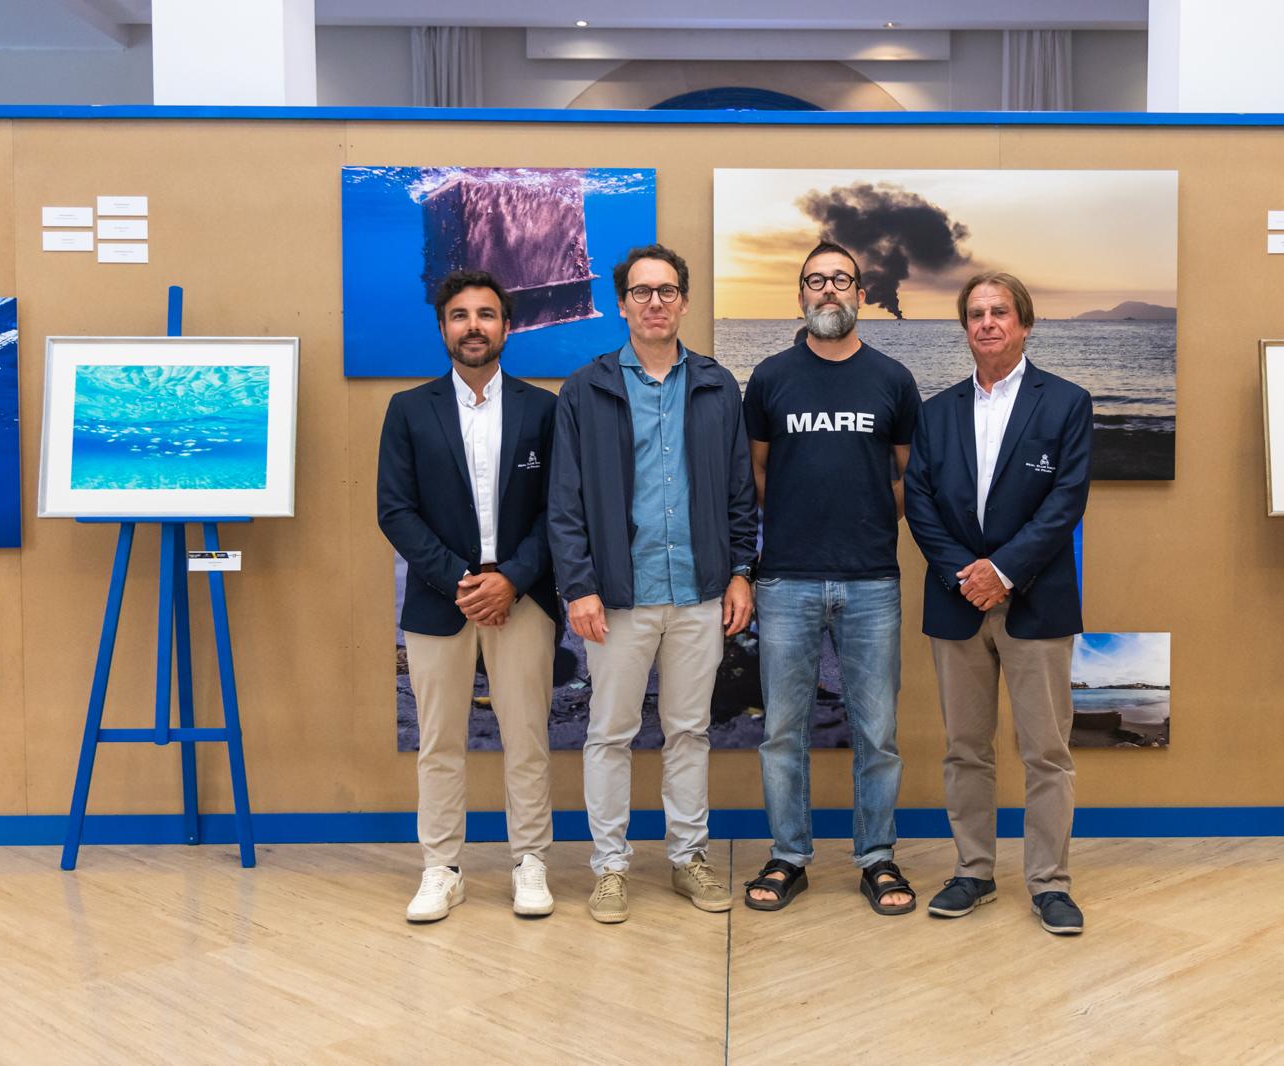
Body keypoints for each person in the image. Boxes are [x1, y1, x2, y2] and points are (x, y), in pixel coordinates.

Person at [549, 243, 758, 924]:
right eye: (642, 292)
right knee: (609, 735)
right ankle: (610, 867)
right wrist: (578, 587)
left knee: (688, 732)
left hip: (699, 594)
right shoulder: (587, 387)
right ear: (623, 304)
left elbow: (737, 492)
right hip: (616, 598)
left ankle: (687, 858)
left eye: (667, 291)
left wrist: (739, 572)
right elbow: (566, 500)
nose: (655, 302)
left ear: (685, 302)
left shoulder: (717, 385)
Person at [902, 271, 1092, 935]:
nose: (987, 323)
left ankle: (1049, 884)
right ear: (965, 328)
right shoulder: (936, 411)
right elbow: (920, 504)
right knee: (965, 750)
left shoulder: (1066, 403)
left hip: (1036, 605)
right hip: (957, 604)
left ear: (1024, 323)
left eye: (999, 312)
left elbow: (1065, 501)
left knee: (1046, 753)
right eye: (976, 313)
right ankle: (973, 873)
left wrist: (1004, 572)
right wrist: (967, 574)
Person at [741, 241, 922, 916]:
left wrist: (871, 510)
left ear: (859, 294)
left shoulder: (893, 379)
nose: (827, 291)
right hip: (785, 580)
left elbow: (908, 473)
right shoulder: (769, 377)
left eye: (839, 280)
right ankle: (789, 855)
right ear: (800, 297)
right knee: (783, 732)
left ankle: (877, 857)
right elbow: (757, 473)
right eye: (815, 281)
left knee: (877, 732)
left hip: (873, 580)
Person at [377, 268, 560, 923]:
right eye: (461, 315)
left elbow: (559, 513)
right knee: (439, 743)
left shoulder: (545, 410)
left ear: (507, 327)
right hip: (439, 601)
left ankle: (531, 862)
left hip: (524, 599)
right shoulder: (408, 411)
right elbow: (395, 512)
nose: (474, 325)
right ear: (443, 328)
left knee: (528, 738)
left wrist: (510, 578)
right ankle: (441, 868)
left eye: (487, 314)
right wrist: (463, 580)